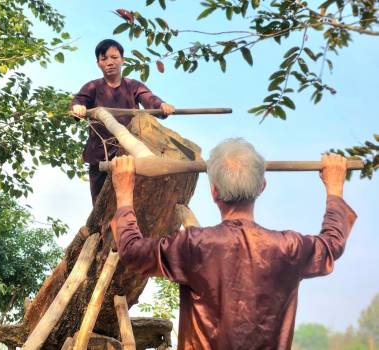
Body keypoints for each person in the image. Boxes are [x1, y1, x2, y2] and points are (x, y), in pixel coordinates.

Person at [110, 138, 357, 350]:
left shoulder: (194, 245)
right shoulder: (288, 248)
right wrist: (334, 189)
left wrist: (123, 193)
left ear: (214, 191)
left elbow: (132, 251)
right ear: (262, 186)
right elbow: (331, 244)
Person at [71, 39, 175, 204]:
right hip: (100, 153)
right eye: (104, 59)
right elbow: (78, 101)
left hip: (129, 151)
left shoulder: (133, 86)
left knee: (132, 199)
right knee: (100, 204)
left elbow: (149, 99)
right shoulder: (92, 87)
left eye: (114, 57)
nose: (110, 62)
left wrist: (162, 106)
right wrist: (78, 108)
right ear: (98, 63)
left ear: (122, 60)